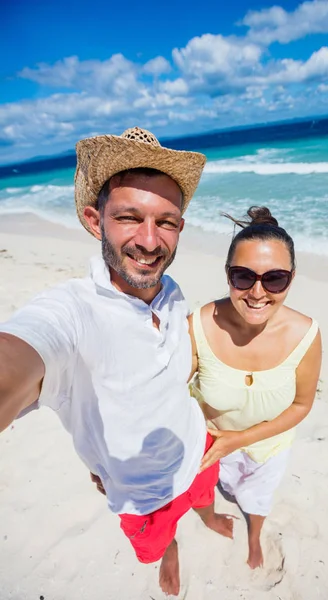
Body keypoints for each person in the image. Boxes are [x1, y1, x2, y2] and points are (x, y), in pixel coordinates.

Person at [0, 127, 233, 597]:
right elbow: (22, 353)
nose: (150, 241)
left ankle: (207, 514)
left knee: (205, 496)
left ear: (181, 227)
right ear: (94, 219)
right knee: (155, 545)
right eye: (130, 217)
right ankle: (169, 555)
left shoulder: (170, 291)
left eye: (166, 221)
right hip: (142, 495)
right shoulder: (71, 311)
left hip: (199, 446)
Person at [189, 206, 322, 569]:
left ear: (292, 278)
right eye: (243, 276)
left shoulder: (305, 334)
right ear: (228, 275)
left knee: (259, 499)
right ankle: (212, 518)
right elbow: (164, 389)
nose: (258, 292)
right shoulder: (200, 324)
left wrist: (239, 440)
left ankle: (253, 536)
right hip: (212, 443)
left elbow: (300, 405)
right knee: (210, 490)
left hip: (270, 445)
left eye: (275, 279)